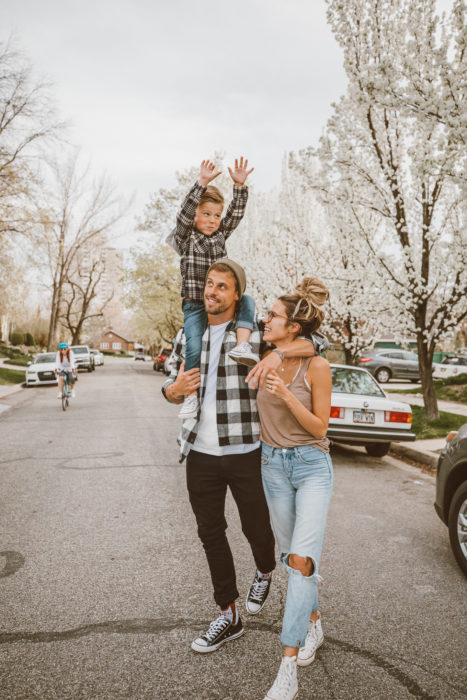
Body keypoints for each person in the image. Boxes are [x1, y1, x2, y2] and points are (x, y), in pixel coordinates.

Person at [162, 259, 322, 655]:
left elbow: (317, 343)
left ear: (238, 296)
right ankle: (228, 614)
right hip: (199, 452)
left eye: (222, 287)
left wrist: (275, 356)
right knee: (210, 533)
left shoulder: (251, 335)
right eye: (209, 285)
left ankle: (265, 570)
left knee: (256, 527)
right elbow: (169, 381)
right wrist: (175, 389)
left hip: (247, 450)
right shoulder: (190, 332)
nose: (212, 292)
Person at [257, 278, 333, 700]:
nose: (265, 319)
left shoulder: (316, 367)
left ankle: (287, 668)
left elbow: (320, 427)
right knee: (293, 560)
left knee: (303, 560)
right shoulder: (265, 354)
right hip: (272, 468)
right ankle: (314, 621)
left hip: (311, 467)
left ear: (294, 328)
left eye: (273, 316)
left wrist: (286, 394)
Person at [170, 157, 258, 421]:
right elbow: (184, 214)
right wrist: (201, 183)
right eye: (206, 214)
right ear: (196, 215)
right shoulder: (186, 237)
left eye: (216, 215)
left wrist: (240, 186)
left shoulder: (221, 234)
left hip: (223, 301)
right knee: (194, 347)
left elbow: (236, 214)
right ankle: (191, 396)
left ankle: (242, 346)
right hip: (196, 303)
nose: (212, 220)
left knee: (248, 301)